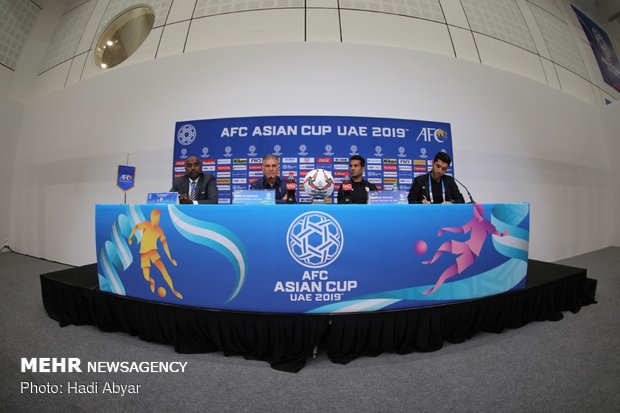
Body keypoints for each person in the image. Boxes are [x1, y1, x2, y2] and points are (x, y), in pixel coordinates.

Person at [128, 209, 183, 299]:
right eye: (156, 217)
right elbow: (136, 227)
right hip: (143, 253)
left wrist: (170, 258)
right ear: (152, 217)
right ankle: (151, 282)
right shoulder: (146, 224)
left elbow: (165, 245)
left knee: (163, 270)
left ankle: (173, 290)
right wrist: (130, 237)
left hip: (153, 252)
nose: (158, 219)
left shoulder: (159, 230)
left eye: (159, 217)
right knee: (146, 275)